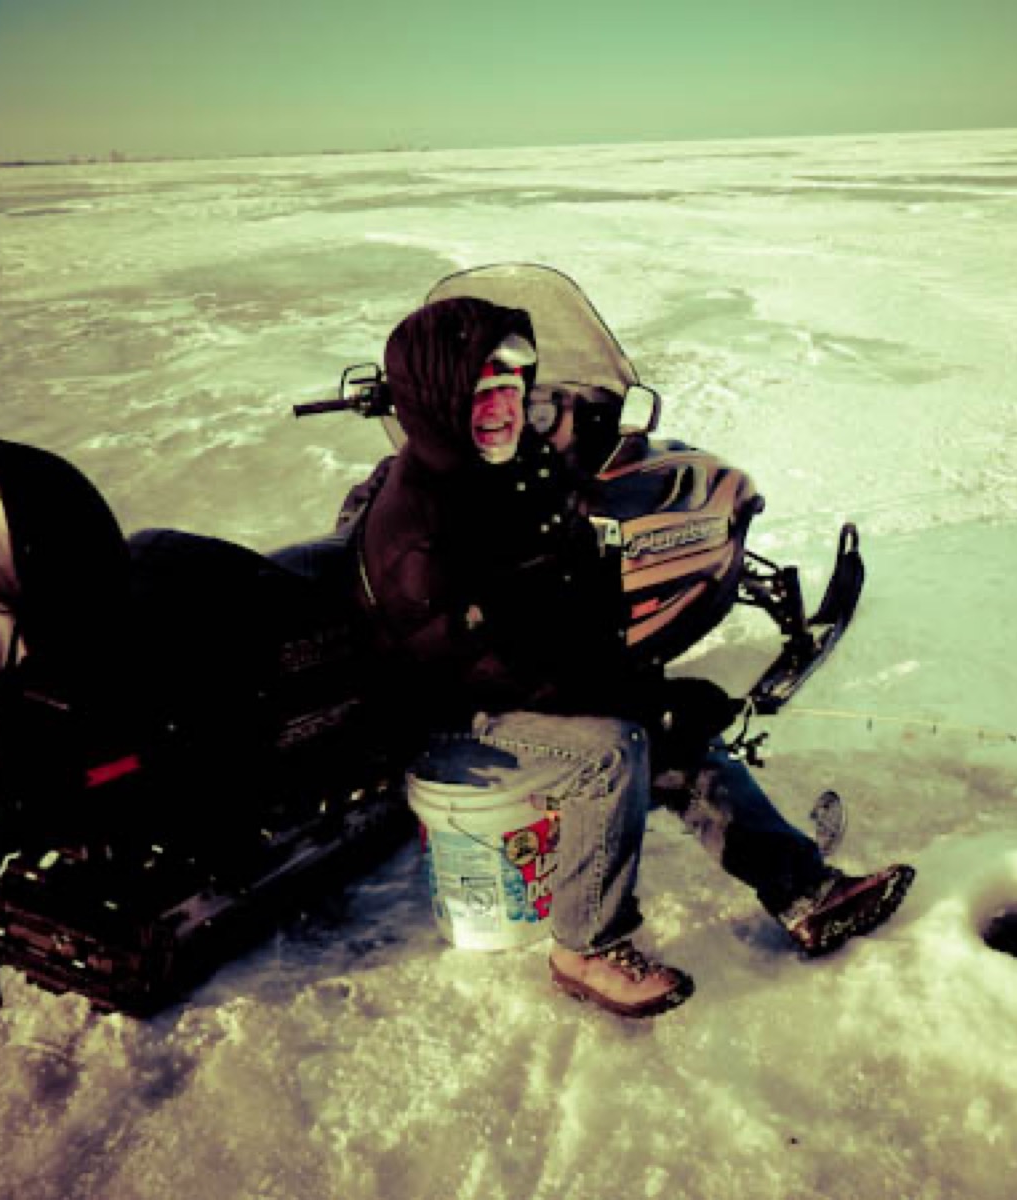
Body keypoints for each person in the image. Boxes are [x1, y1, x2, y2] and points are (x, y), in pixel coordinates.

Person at [355, 295, 913, 1019]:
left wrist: (644, 684)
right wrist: (637, 702)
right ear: (435, 404)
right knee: (611, 750)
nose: (500, 410)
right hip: (452, 712)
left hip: (521, 679)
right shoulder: (422, 537)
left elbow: (567, 595)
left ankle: (805, 890)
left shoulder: (517, 466)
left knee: (678, 737)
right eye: (479, 396)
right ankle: (584, 945)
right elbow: (497, 670)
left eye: (509, 391)